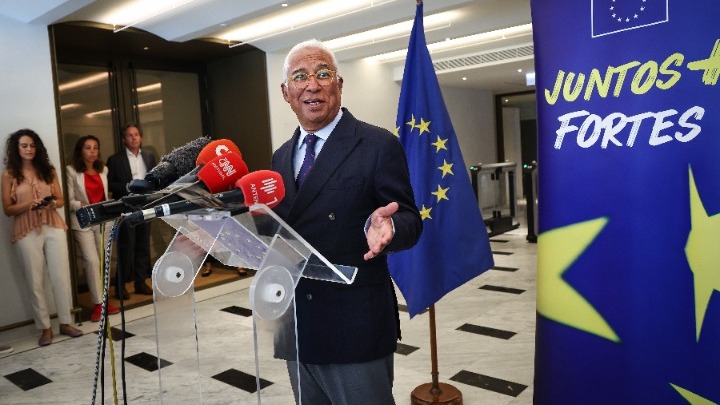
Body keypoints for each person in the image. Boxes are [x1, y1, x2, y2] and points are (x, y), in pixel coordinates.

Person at [272, 39, 422, 404]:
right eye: (300, 76)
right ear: (286, 92)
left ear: (339, 85)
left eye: (323, 74)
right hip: (297, 321)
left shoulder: (376, 145)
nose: (312, 85)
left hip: (354, 325)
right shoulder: (280, 157)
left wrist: (390, 229)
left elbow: (410, 219)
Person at [1, 129, 84, 346]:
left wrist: (52, 203)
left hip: (52, 224)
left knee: (61, 276)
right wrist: (29, 204)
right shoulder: (9, 174)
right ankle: (45, 328)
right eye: (24, 145)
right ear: (16, 148)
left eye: (32, 145)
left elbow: (61, 200)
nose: (29, 149)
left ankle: (65, 322)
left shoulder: (48, 170)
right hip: (25, 230)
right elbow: (7, 209)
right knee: (34, 280)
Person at [66, 135, 121, 322]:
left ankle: (105, 301)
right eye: (87, 148)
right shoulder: (71, 171)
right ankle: (98, 304)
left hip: (103, 220)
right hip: (82, 221)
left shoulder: (103, 169)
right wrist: (81, 205)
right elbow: (69, 200)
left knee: (104, 261)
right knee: (91, 261)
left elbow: (105, 195)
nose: (92, 151)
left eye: (95, 147)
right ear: (80, 151)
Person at [106, 123, 157, 299]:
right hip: (126, 206)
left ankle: (140, 282)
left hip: (145, 204)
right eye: (129, 135)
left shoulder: (149, 156)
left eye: (136, 134)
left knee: (143, 244)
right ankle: (120, 285)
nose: (134, 138)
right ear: (124, 139)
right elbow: (110, 184)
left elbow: (155, 178)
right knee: (126, 246)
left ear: (141, 137)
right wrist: (128, 187)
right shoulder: (115, 159)